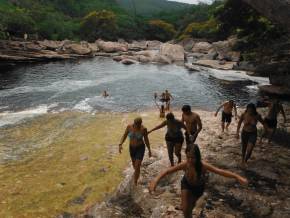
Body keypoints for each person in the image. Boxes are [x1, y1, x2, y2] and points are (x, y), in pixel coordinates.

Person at [149, 144, 248, 218]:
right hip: (186, 184)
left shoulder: (203, 166)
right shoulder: (185, 164)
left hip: (198, 188)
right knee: (185, 210)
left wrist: (237, 177)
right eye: (188, 157)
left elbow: (220, 171)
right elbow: (167, 171)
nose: (190, 160)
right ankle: (184, 207)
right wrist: (155, 180)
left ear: (198, 157)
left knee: (190, 209)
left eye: (193, 158)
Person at [119, 117, 152, 185]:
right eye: (136, 125)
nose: (138, 126)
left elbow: (146, 140)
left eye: (139, 125)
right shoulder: (129, 127)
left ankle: (135, 182)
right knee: (134, 165)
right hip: (131, 148)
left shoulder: (143, 129)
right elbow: (124, 135)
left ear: (140, 124)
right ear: (134, 123)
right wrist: (120, 144)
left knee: (137, 166)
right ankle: (138, 174)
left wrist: (149, 150)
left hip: (140, 148)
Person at [236, 103, 265, 168]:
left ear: (254, 110)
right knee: (244, 148)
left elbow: (263, 123)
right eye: (249, 110)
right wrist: (237, 133)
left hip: (253, 134)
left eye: (251, 110)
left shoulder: (257, 116)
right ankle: (243, 160)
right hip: (244, 133)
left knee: (249, 149)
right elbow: (239, 123)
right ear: (247, 109)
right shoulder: (244, 114)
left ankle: (245, 161)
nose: (250, 111)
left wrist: (263, 134)